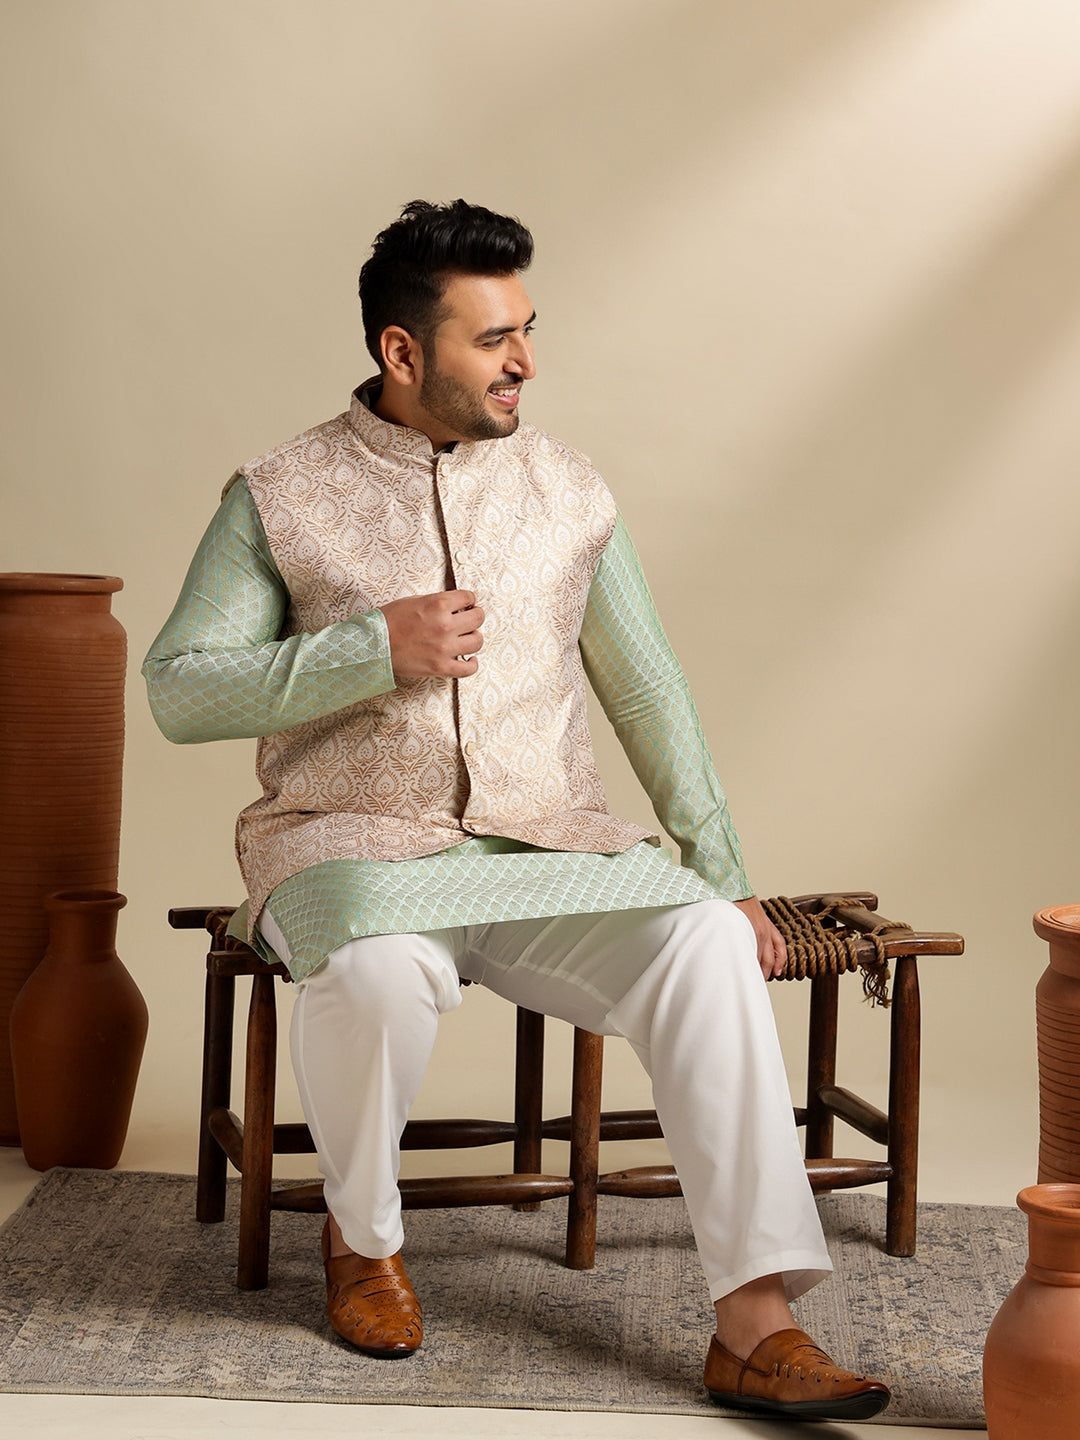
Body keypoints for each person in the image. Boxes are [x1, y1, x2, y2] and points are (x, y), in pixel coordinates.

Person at [143, 199, 890, 1421]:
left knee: (706, 942)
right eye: (493, 339)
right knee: (376, 975)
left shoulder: (568, 489)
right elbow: (179, 689)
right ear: (402, 351)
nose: (525, 361)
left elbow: (646, 688)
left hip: (551, 843)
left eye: (527, 331)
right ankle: (363, 1242)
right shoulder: (282, 494)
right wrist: (368, 651)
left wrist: (721, 869)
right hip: (349, 847)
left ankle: (755, 1324)